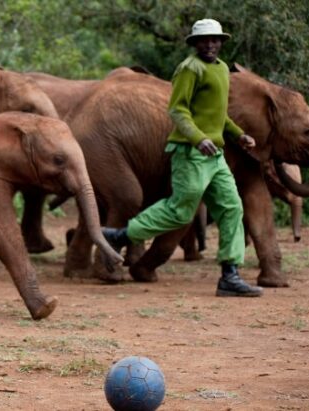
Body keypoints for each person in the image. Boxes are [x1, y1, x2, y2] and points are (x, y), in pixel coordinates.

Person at [101, 19, 263, 297]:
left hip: (216, 155)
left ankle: (229, 275)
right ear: (195, 43)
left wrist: (238, 135)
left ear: (222, 42)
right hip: (191, 153)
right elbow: (177, 111)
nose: (210, 44)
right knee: (180, 211)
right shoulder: (190, 69)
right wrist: (198, 139)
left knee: (232, 207)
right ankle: (119, 236)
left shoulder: (222, 69)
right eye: (204, 40)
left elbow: (216, 114)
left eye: (214, 40)